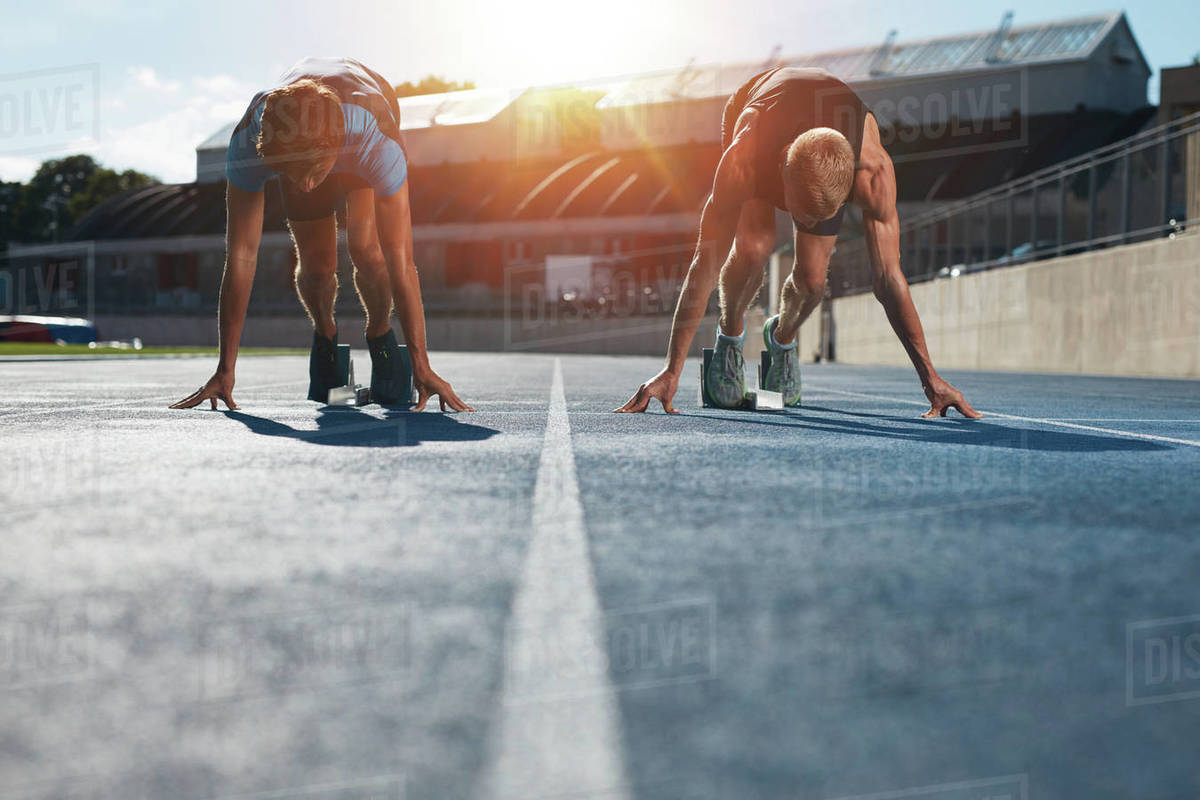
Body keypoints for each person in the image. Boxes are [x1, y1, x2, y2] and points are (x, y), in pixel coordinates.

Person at [615, 67, 980, 419]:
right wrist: (672, 369)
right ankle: (730, 335)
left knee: (813, 281)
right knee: (754, 248)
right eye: (798, 212)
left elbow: (888, 279)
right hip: (757, 107)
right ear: (782, 171)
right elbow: (705, 263)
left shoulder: (873, 172)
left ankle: (781, 337)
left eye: (814, 219)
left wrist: (930, 378)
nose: (802, 224)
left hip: (823, 137)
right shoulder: (745, 158)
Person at [171, 57, 473, 412]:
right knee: (317, 266)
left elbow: (401, 260)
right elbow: (241, 257)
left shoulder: (375, 137)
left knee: (367, 249)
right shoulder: (249, 142)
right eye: (293, 175)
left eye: (313, 174)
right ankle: (326, 336)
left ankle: (380, 335)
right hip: (303, 140)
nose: (306, 186)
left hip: (359, 128)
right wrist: (225, 370)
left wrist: (422, 365)